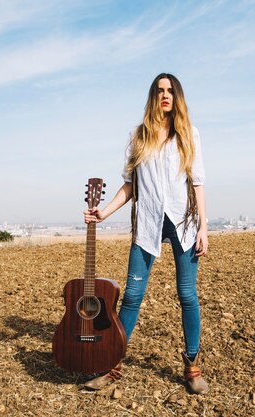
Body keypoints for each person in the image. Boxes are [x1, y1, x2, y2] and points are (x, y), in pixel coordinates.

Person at [82, 73, 209, 395]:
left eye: (170, 91)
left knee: (187, 295)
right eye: (160, 90)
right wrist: (105, 212)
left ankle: (192, 366)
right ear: (154, 96)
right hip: (148, 224)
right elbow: (130, 186)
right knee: (133, 296)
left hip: (184, 223)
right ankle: (112, 365)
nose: (165, 95)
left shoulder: (189, 134)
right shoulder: (139, 136)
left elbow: (197, 183)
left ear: (176, 96)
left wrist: (204, 227)